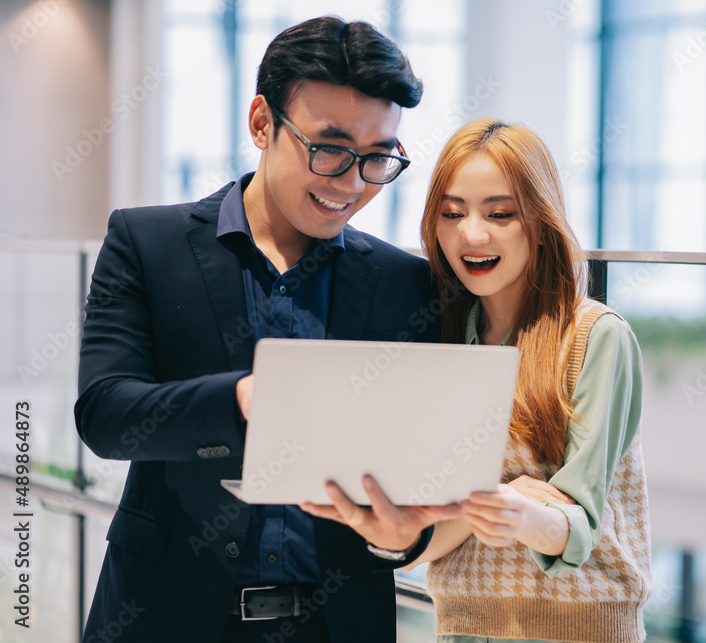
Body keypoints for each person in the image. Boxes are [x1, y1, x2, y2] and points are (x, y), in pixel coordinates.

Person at [74, 16, 458, 643]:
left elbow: (417, 478)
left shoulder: (405, 284)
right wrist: (239, 399)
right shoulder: (148, 243)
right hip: (163, 615)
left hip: (333, 624)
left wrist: (402, 541)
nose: (353, 183)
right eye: (330, 149)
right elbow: (105, 414)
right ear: (261, 123)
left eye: (378, 158)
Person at [424, 118, 654, 642]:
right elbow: (421, 538)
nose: (472, 234)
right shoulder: (443, 336)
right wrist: (500, 501)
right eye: (452, 213)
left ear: (541, 220)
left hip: (580, 628)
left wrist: (511, 510)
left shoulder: (594, 337)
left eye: (500, 213)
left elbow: (578, 529)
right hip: (462, 628)